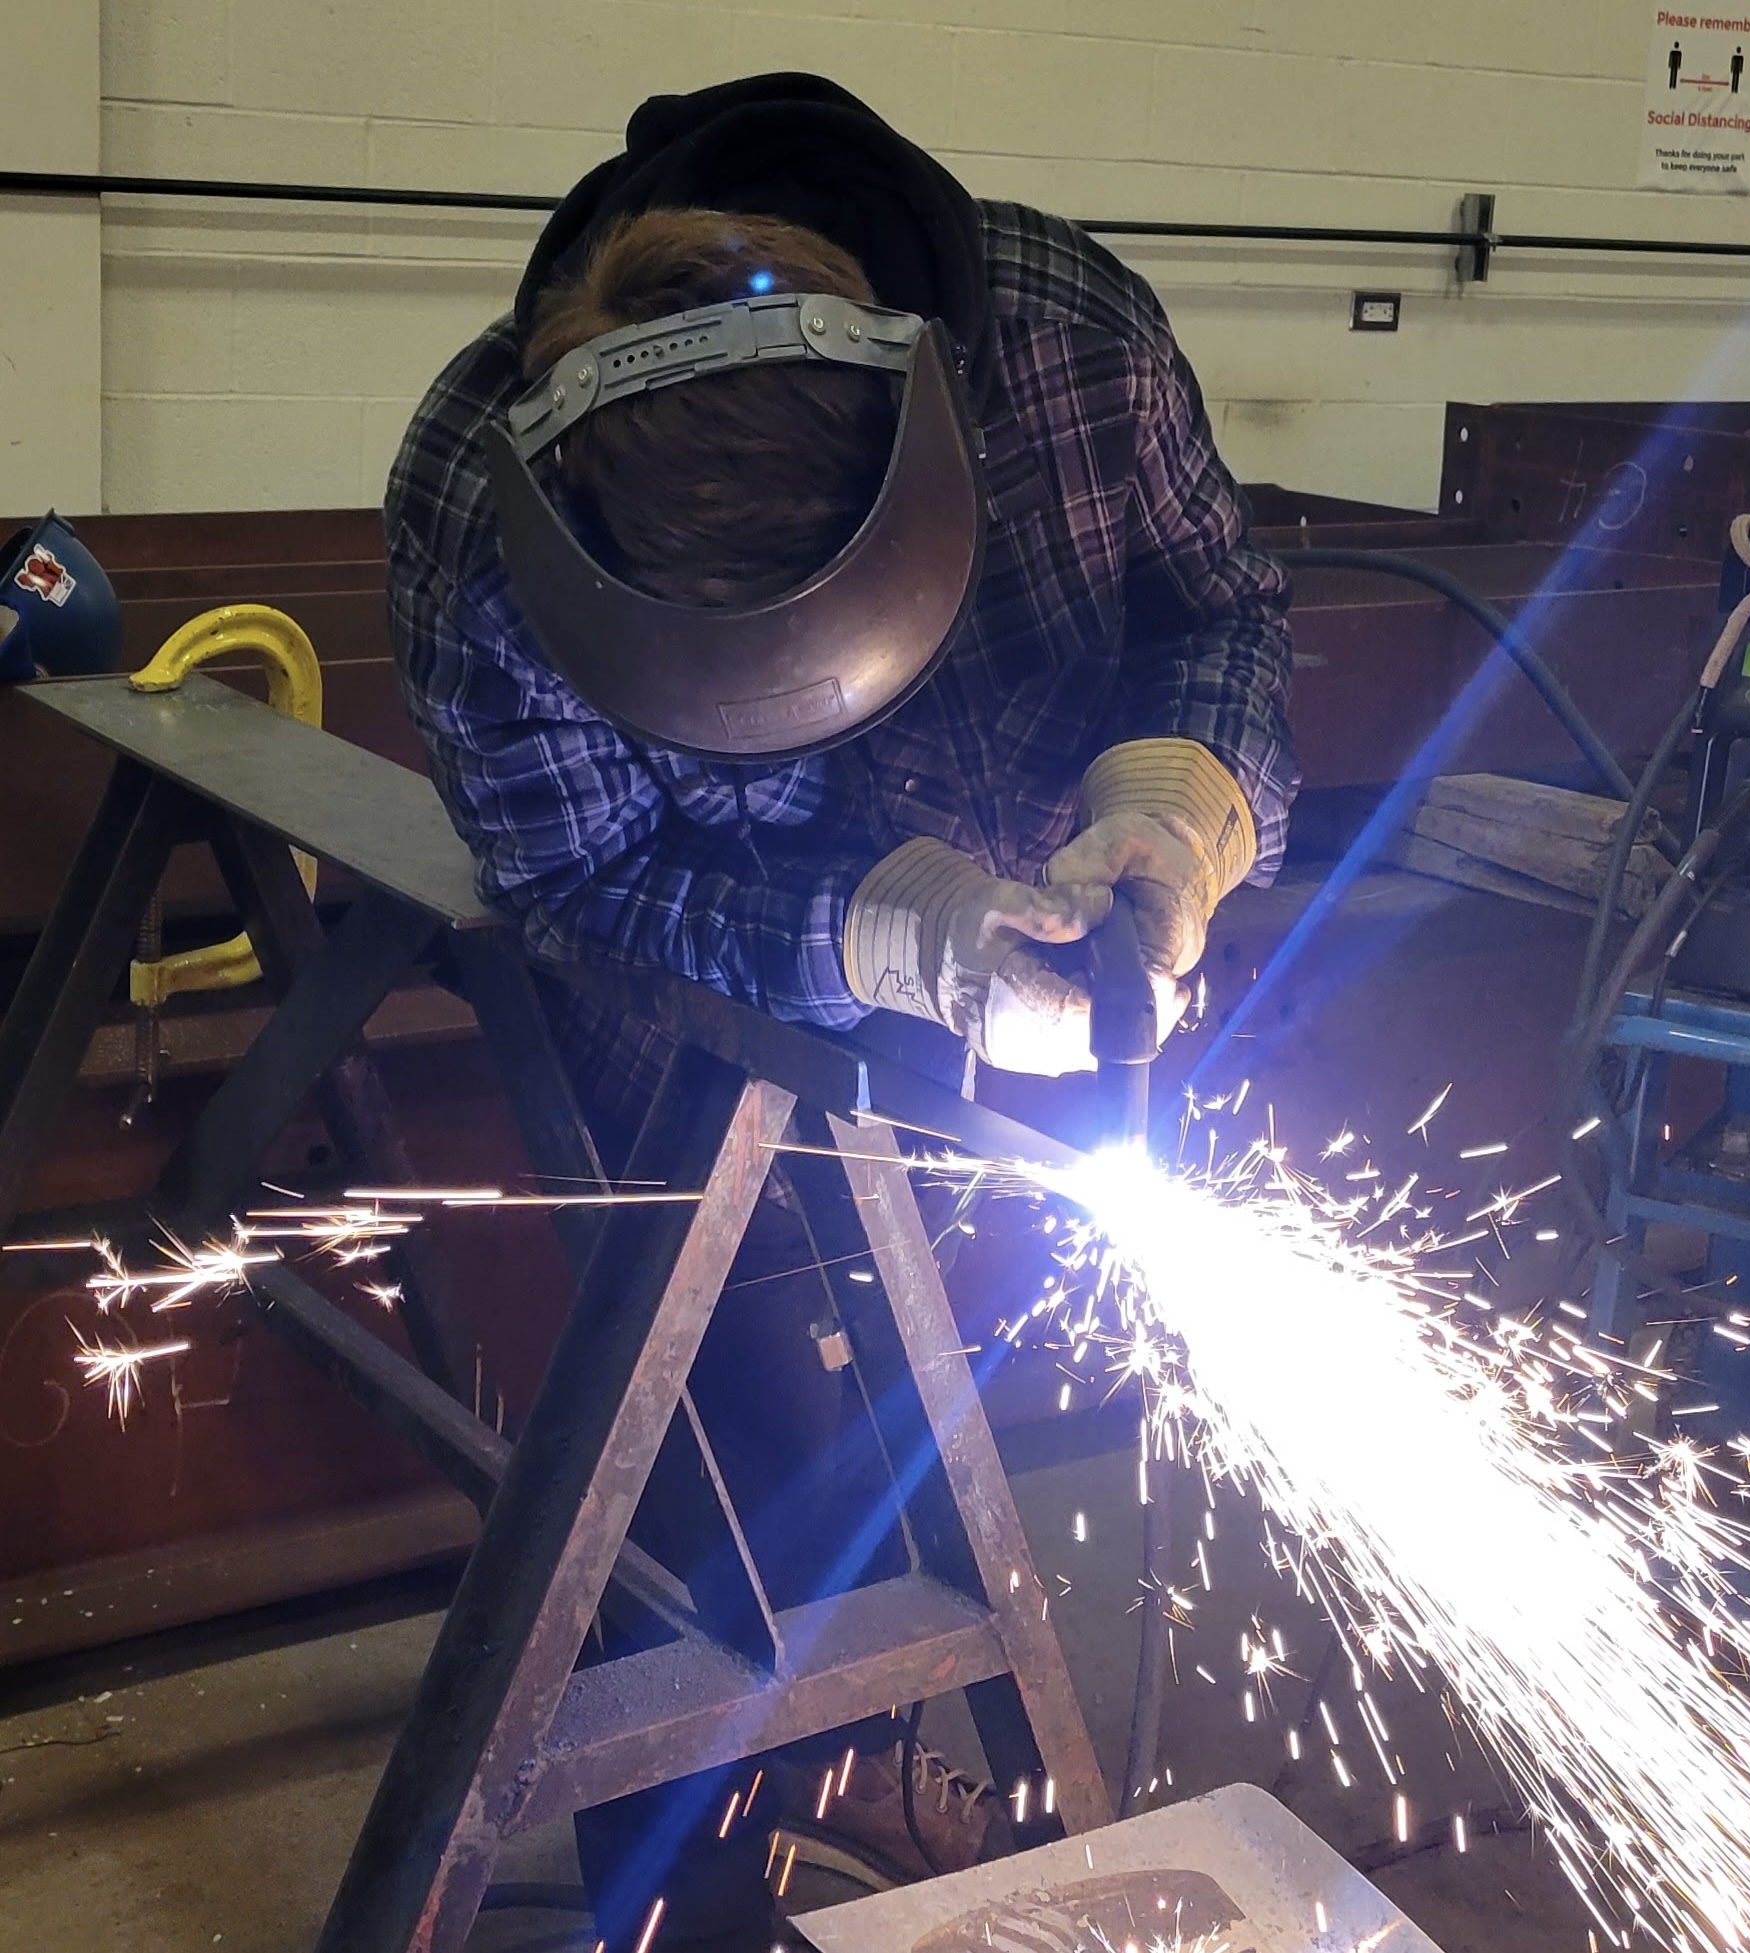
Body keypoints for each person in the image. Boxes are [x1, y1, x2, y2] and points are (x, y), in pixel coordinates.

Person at [386, 70, 1296, 1950]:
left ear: (930, 441)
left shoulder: (1073, 350)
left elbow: (1218, 606)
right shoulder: (486, 519)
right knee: (729, 1413)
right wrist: (890, 935)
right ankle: (739, 1818)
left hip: (1064, 901)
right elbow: (577, 879)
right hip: (709, 1003)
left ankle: (863, 1778)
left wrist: (1178, 809)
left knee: (949, 1366)